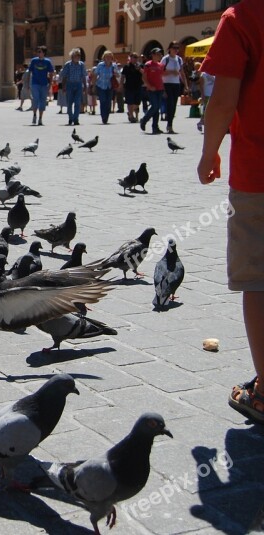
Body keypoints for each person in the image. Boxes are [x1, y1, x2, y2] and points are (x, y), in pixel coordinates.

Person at [197, 0, 264, 426]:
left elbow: (223, 98)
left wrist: (209, 151)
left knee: (258, 277)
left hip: (258, 173)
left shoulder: (242, 17)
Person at [161, 40, 188, 134]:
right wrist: (171, 72)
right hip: (167, 84)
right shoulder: (165, 59)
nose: (176, 50)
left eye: (177, 48)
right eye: (174, 48)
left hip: (176, 84)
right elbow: (160, 72)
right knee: (170, 104)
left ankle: (170, 124)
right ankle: (169, 124)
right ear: (170, 49)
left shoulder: (179, 59)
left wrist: (185, 85)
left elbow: (182, 72)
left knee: (174, 105)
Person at [139, 48, 165, 134]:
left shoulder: (160, 65)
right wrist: (149, 86)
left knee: (157, 108)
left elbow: (161, 77)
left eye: (160, 54)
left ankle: (155, 127)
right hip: (151, 89)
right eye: (157, 54)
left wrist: (164, 89)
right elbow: (144, 77)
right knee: (155, 106)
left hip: (160, 89)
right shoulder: (148, 64)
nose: (159, 56)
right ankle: (144, 120)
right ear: (153, 55)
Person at [60, 48, 86, 126]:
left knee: (78, 102)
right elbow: (64, 76)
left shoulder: (81, 65)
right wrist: (63, 86)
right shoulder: (68, 64)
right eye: (76, 56)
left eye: (78, 56)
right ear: (72, 57)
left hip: (78, 85)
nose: (77, 57)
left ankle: (76, 119)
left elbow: (83, 76)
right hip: (69, 84)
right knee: (69, 103)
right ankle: (70, 118)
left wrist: (85, 86)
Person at [29, 46, 54, 126]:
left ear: (44, 53)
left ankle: (40, 118)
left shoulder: (48, 62)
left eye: (40, 52)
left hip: (44, 84)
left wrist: (50, 83)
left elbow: (51, 72)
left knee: (42, 101)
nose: (38, 53)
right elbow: (30, 71)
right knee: (35, 99)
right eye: (38, 52)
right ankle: (34, 115)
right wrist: (29, 83)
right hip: (35, 83)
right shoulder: (34, 61)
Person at [94, 50, 117, 124]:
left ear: (112, 58)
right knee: (103, 101)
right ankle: (103, 117)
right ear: (104, 58)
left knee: (108, 102)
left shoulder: (114, 66)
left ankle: (106, 116)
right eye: (106, 57)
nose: (108, 58)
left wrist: (116, 73)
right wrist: (93, 85)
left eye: (110, 57)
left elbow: (118, 74)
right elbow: (95, 74)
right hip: (101, 85)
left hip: (110, 86)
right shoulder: (100, 65)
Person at [122, 52, 143, 123]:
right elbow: (123, 76)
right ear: (130, 58)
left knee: (137, 103)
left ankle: (130, 112)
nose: (135, 59)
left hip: (138, 86)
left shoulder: (140, 66)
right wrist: (121, 85)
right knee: (130, 102)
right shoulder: (127, 66)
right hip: (129, 86)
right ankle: (131, 116)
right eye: (133, 57)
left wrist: (139, 69)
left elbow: (144, 73)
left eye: (136, 57)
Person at [196, 66, 215, 132]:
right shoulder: (204, 75)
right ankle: (200, 123)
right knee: (205, 111)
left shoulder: (215, 74)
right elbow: (201, 86)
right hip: (207, 94)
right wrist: (202, 95)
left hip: (213, 95)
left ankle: (207, 125)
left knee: (212, 111)